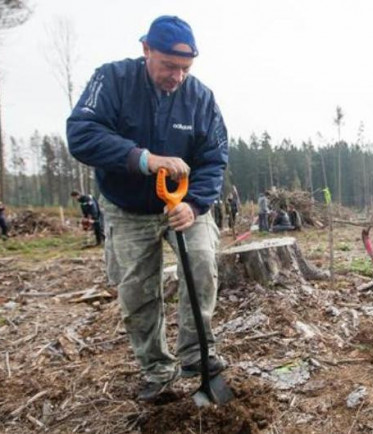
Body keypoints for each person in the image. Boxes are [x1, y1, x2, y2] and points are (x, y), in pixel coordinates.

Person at [66, 15, 229, 402]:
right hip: (128, 207)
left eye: (185, 69)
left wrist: (194, 203)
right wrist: (142, 158)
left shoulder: (200, 98)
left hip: (183, 204)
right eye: (169, 66)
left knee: (203, 263)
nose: (177, 76)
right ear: (146, 50)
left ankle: (197, 355)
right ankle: (156, 368)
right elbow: (81, 134)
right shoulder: (112, 80)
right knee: (137, 291)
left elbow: (214, 157)